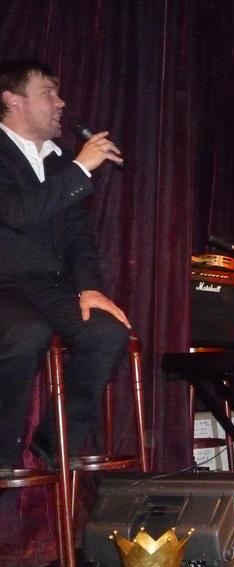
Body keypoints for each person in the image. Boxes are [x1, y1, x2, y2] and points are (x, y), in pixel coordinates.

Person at [0, 59, 130, 473]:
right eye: (48, 93)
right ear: (13, 100)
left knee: (108, 332)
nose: (61, 103)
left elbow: (79, 237)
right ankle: (2, 454)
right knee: (26, 333)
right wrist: (79, 168)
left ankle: (54, 441)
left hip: (50, 287)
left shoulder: (59, 162)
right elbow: (17, 212)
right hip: (3, 285)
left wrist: (91, 288)